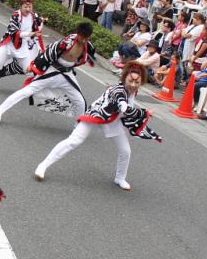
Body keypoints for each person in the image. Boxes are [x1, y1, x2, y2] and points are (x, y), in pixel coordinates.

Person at [34, 62, 160, 190]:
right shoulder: (118, 91)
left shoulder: (133, 91)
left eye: (136, 83)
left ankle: (120, 178)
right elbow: (125, 108)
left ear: (141, 82)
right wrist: (144, 112)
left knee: (125, 151)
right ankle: (43, 165)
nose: (133, 85)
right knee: (73, 141)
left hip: (112, 120)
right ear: (124, 78)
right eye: (130, 81)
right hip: (96, 115)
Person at [0, 22, 95, 122]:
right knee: (27, 91)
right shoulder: (66, 43)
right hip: (52, 71)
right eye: (82, 37)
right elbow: (48, 53)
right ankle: (0, 110)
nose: (84, 40)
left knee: (80, 101)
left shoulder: (88, 46)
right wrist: (34, 66)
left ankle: (79, 127)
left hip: (67, 75)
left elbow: (90, 58)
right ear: (78, 33)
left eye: (86, 38)